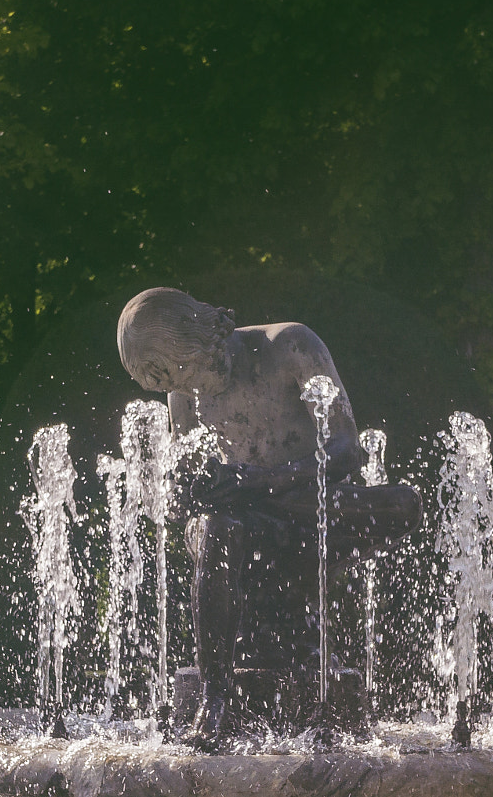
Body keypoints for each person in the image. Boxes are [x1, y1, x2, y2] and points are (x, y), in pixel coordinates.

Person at [116, 288, 422, 747]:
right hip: (244, 528)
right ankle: (215, 694)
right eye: (167, 385)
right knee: (215, 526)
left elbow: (345, 452)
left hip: (313, 516)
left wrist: (258, 482)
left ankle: (256, 501)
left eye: (181, 372)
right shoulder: (182, 397)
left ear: (201, 338)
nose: (185, 390)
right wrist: (187, 491)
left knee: (403, 506)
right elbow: (192, 489)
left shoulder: (291, 346)